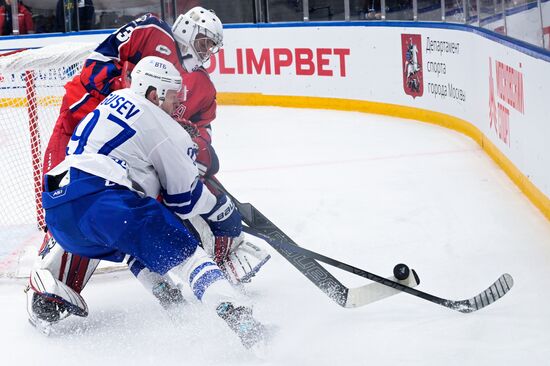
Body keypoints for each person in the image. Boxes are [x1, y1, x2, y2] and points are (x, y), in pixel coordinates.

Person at [28, 8, 269, 325]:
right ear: (185, 28)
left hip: (110, 161)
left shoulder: (201, 88)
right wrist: (219, 208)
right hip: (84, 137)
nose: (206, 50)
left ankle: (179, 286)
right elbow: (102, 63)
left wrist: (190, 150)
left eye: (213, 46)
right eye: (203, 40)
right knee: (132, 219)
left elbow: (202, 141)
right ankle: (48, 284)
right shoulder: (152, 30)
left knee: (104, 219)